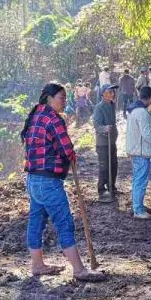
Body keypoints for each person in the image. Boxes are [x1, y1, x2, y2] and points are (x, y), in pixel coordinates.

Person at [20, 83, 106, 282]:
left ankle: (37, 264)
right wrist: (72, 156)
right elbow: (66, 148)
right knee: (64, 223)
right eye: (61, 97)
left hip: (33, 180)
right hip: (48, 182)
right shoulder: (52, 118)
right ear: (49, 98)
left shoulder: (35, 115)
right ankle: (79, 269)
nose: (64, 101)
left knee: (36, 222)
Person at [125, 85, 151, 220]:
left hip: (135, 149)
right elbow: (146, 134)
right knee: (140, 180)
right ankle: (139, 210)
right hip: (140, 151)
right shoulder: (142, 112)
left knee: (137, 179)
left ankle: (137, 205)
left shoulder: (133, 109)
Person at [92, 83, 119, 202]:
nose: (112, 94)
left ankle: (111, 187)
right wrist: (104, 128)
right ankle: (102, 191)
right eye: (109, 92)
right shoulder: (99, 107)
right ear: (103, 94)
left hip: (112, 141)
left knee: (114, 165)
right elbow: (96, 125)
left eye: (113, 92)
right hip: (103, 142)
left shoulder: (112, 105)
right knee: (104, 167)